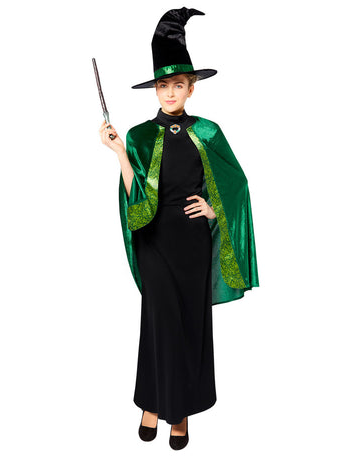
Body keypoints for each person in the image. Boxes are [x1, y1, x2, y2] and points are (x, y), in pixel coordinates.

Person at [99, 7, 259, 451]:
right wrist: (119, 153)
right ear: (156, 88)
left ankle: (180, 410)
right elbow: (134, 197)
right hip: (155, 241)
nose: (170, 92)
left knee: (189, 323)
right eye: (163, 85)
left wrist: (213, 209)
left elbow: (237, 183)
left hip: (192, 244)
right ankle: (153, 404)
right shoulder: (137, 136)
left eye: (178, 85)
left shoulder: (208, 131)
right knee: (158, 322)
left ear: (191, 87)